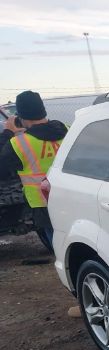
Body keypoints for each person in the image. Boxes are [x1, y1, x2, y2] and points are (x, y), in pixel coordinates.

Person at [0, 90, 68, 246]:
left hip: (43, 202)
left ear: (21, 117)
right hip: (72, 195)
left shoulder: (18, 143)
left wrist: (9, 132)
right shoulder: (67, 129)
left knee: (58, 244)